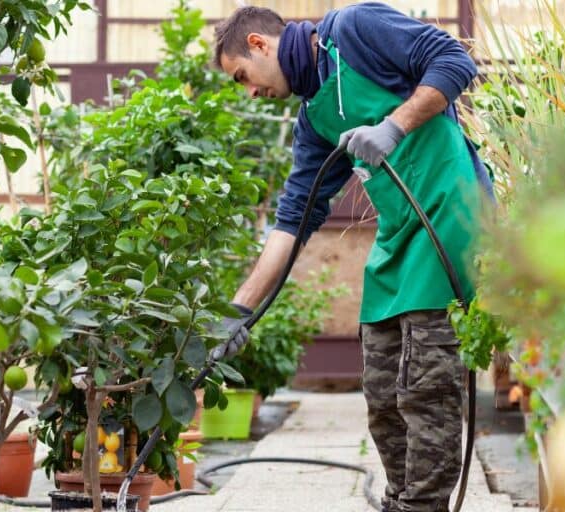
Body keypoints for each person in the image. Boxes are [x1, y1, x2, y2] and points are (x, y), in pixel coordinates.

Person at [209, 4, 493, 511]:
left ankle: (421, 506)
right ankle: (399, 498)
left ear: (258, 44)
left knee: (426, 391)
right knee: (383, 396)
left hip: (448, 214)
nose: (250, 92)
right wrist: (238, 312)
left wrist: (394, 125)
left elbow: (454, 60)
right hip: (399, 231)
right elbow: (292, 221)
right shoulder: (313, 117)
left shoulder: (356, 30)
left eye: (242, 77)